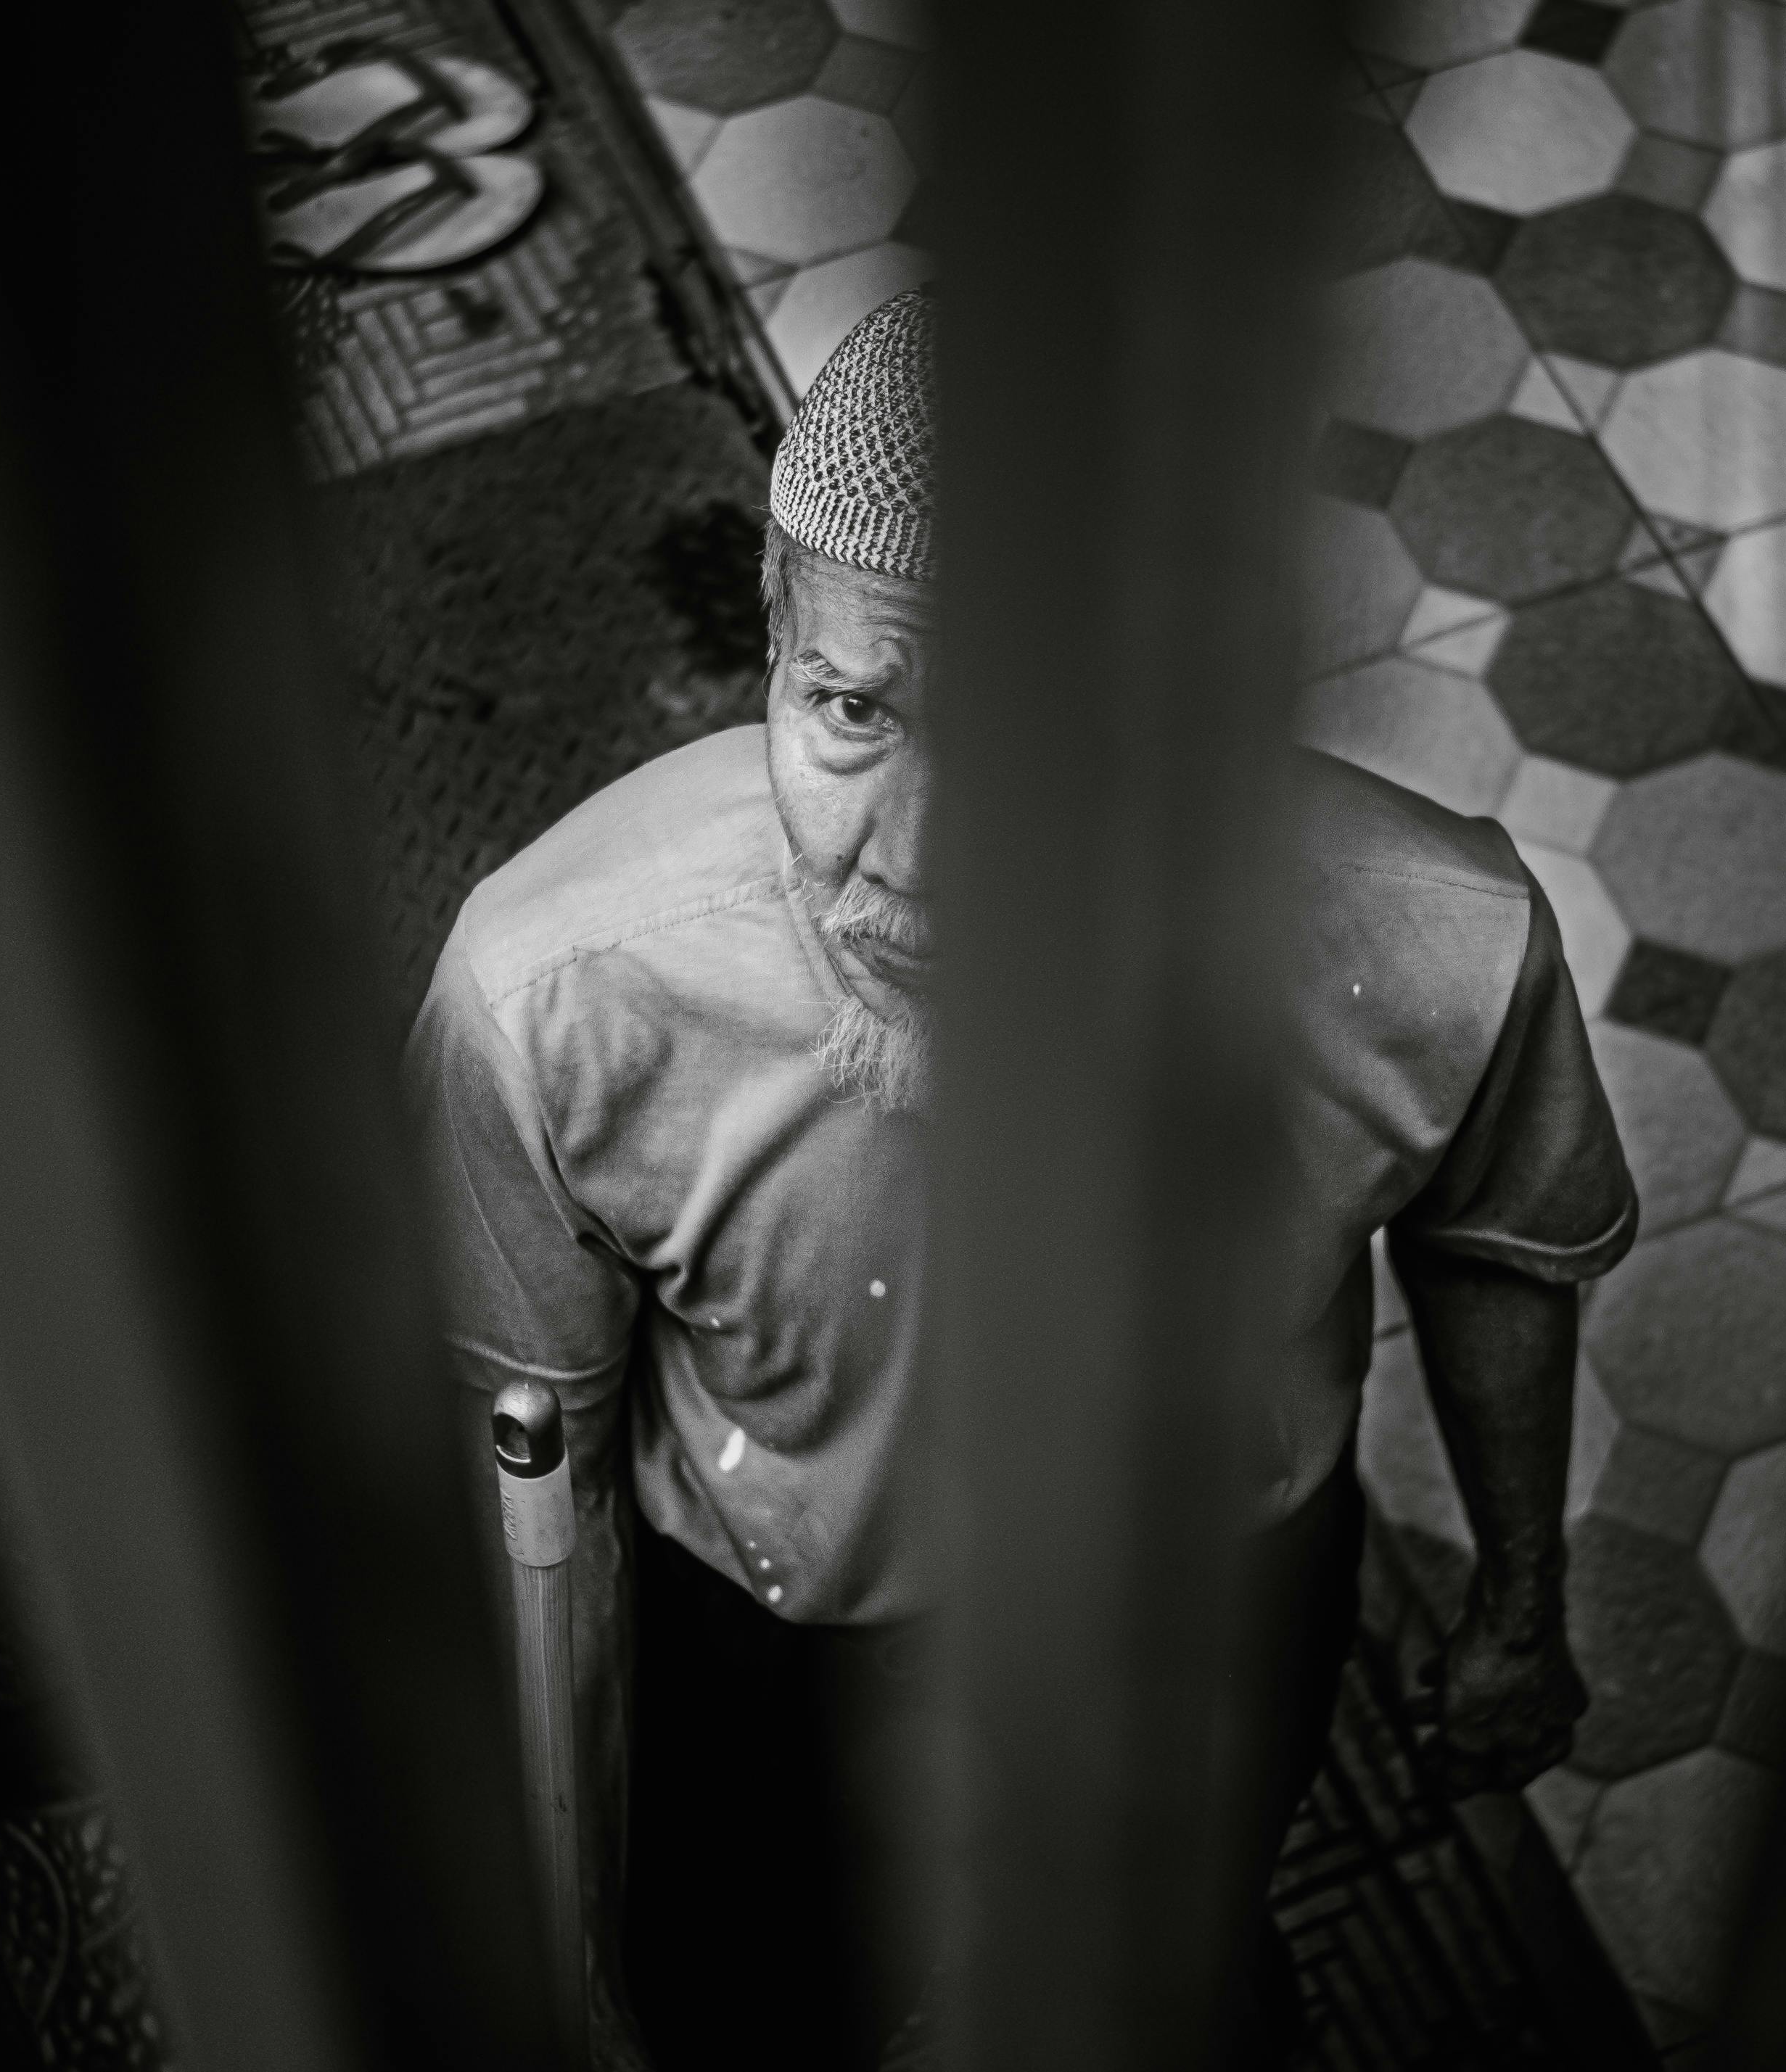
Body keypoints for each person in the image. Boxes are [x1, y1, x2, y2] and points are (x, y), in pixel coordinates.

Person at [406, 291, 1637, 2068]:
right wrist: (560, 1902)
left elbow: (1498, 1246)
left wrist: (1519, 1608)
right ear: (773, 651)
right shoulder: (553, 999)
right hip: (766, 1652)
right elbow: (530, 1467)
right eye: (852, 709)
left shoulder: (1433, 942)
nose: (918, 856)